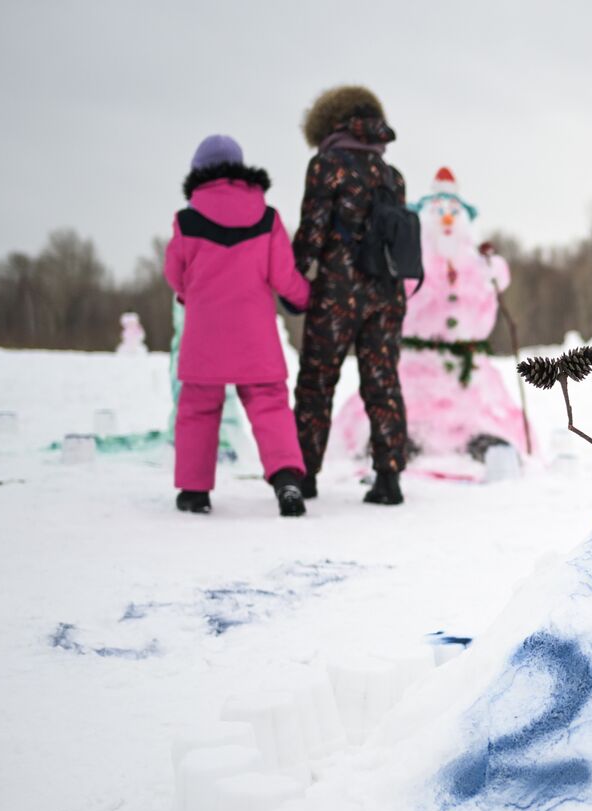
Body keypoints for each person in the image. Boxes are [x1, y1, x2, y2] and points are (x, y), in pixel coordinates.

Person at [164, 135, 311, 517]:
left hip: (204, 336)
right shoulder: (267, 218)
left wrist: (189, 296)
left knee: (197, 408)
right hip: (255, 336)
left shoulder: (187, 221)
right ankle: (287, 481)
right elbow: (284, 276)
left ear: (199, 174)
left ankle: (194, 492)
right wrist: (304, 298)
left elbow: (174, 274)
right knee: (270, 405)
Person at [292, 86, 410, 505]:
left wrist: (292, 277)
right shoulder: (392, 176)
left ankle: (302, 476)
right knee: (383, 383)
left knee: (316, 382)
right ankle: (389, 477)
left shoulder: (326, 165)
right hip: (386, 295)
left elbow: (313, 231)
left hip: (337, 295)